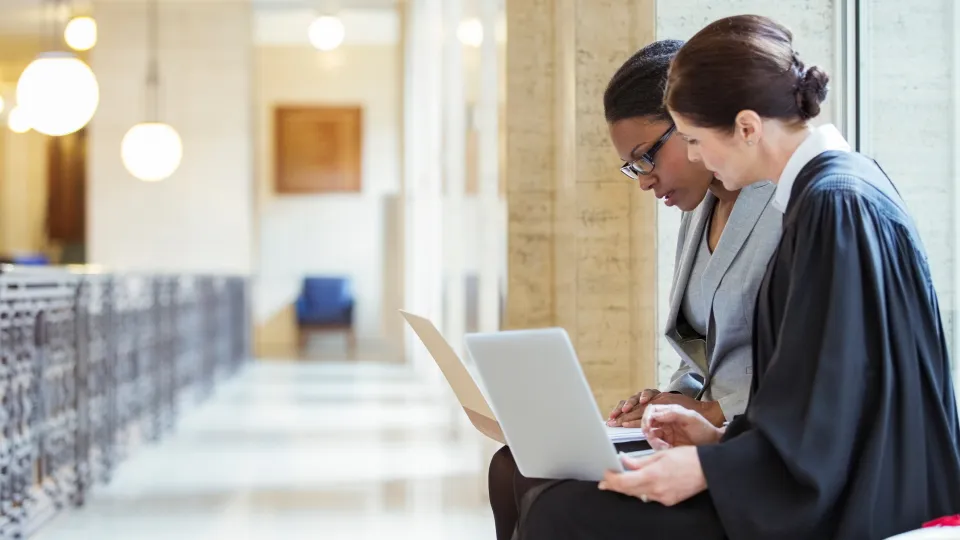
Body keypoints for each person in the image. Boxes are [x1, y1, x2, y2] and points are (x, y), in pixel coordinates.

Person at [513, 14, 960, 540]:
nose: (697, 156)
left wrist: (711, 467)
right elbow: (809, 393)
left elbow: (832, 410)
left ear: (747, 127)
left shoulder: (833, 206)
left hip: (850, 503)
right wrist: (717, 440)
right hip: (815, 481)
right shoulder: (831, 193)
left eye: (696, 140)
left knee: (563, 513)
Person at [487, 39, 782, 540]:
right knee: (511, 464)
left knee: (554, 507)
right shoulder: (700, 209)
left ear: (692, 121)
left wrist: (710, 412)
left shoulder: (790, 209)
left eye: (647, 158)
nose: (644, 181)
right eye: (633, 168)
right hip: (701, 434)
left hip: (747, 448)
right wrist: (670, 399)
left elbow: (804, 377)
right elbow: (706, 353)